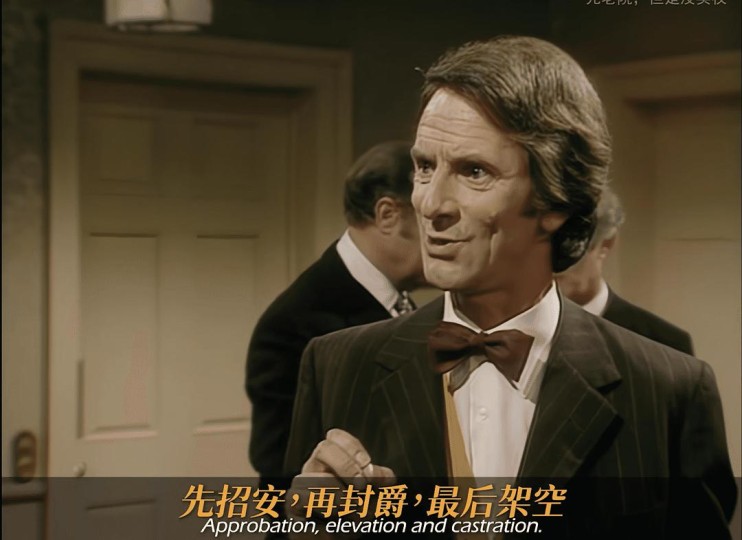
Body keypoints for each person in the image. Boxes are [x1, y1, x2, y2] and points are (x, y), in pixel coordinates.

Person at [284, 37, 736, 538]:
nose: (431, 204)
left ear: (555, 201)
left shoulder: (668, 390)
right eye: (425, 167)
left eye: (473, 171)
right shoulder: (337, 367)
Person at [245, 140, 426, 495]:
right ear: (387, 215)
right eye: (431, 218)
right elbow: (282, 476)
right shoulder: (293, 324)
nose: (444, 235)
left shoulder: (401, 303)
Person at [556, 188, 694, 355]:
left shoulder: (664, 344)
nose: (551, 264)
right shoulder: (524, 328)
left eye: (570, 248)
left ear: (606, 244)